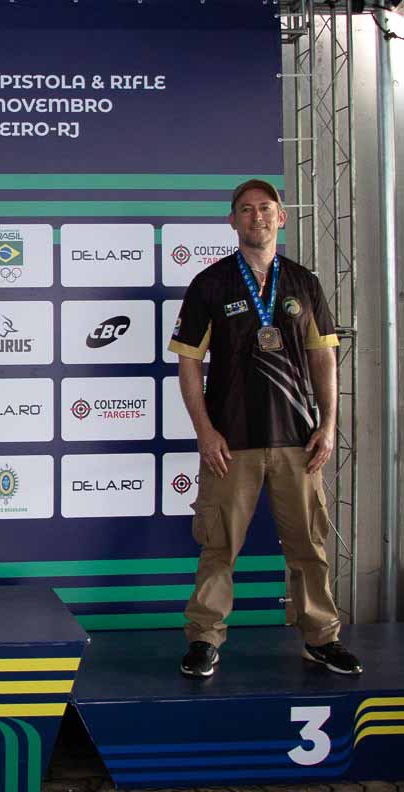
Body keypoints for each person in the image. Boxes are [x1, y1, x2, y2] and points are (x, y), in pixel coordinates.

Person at [169, 179, 361, 677]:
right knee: (219, 547)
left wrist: (328, 424)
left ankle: (321, 637)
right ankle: (204, 638)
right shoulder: (210, 284)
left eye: (266, 208)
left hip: (299, 441)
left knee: (308, 547)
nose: (257, 216)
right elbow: (189, 364)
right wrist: (205, 432)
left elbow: (324, 358)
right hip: (231, 442)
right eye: (246, 209)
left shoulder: (303, 283)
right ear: (232, 221)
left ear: (281, 217)